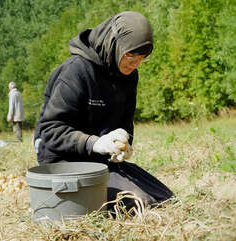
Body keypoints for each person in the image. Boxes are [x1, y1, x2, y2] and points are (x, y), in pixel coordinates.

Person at [34, 11, 173, 210]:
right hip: (62, 161)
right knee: (140, 204)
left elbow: (125, 121)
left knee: (165, 198)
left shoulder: (129, 75)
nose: (135, 63)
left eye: (142, 58)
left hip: (98, 160)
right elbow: (50, 132)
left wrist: (124, 143)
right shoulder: (76, 71)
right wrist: (94, 143)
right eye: (130, 55)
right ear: (114, 44)